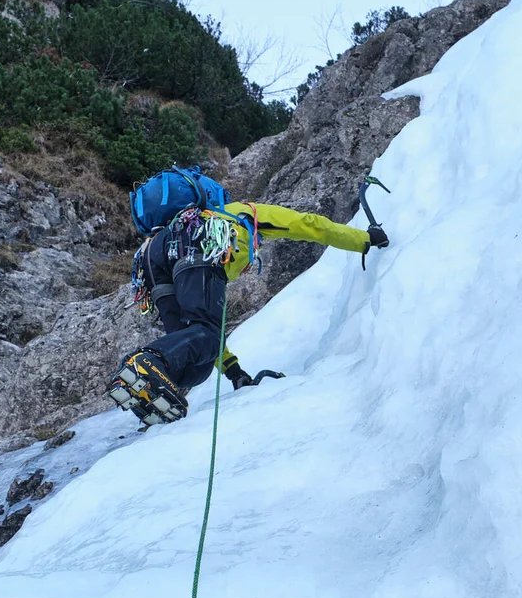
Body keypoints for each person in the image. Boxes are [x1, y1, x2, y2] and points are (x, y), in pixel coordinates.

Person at [108, 167, 389, 424]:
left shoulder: (165, 233)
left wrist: (233, 371)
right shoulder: (236, 213)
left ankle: (146, 393)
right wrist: (364, 240)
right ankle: (145, 363)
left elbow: (201, 334)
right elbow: (308, 223)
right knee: (203, 336)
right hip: (192, 244)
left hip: (151, 261)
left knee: (193, 363)